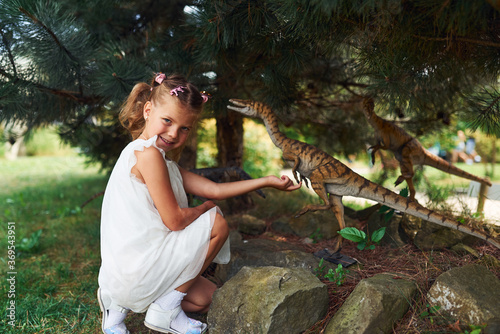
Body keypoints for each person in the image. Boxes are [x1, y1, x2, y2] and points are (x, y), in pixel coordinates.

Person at [97, 73, 301, 334]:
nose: (174, 133)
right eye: (167, 121)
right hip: (135, 265)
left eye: (184, 128)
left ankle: (127, 301)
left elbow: (213, 188)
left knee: (203, 298)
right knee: (216, 220)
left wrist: (265, 181)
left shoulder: (160, 159)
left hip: (144, 260)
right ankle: (158, 309)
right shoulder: (148, 156)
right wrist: (206, 209)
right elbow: (175, 221)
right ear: (148, 110)